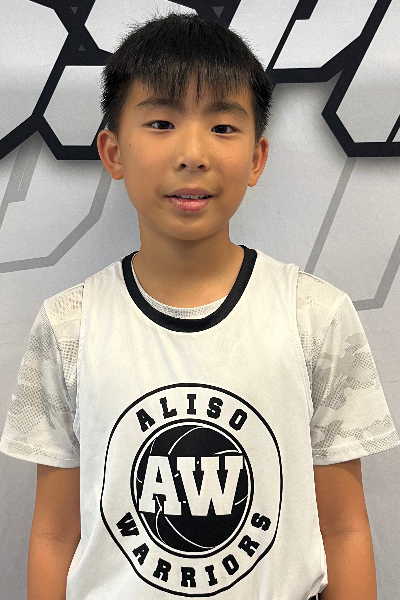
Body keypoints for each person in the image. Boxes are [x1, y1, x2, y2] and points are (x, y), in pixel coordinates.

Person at [0, 11, 398, 600]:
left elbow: (343, 529)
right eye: (161, 122)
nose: (192, 153)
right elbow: (55, 535)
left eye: (223, 126)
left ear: (257, 157)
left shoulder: (316, 317)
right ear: (112, 150)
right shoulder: (68, 326)